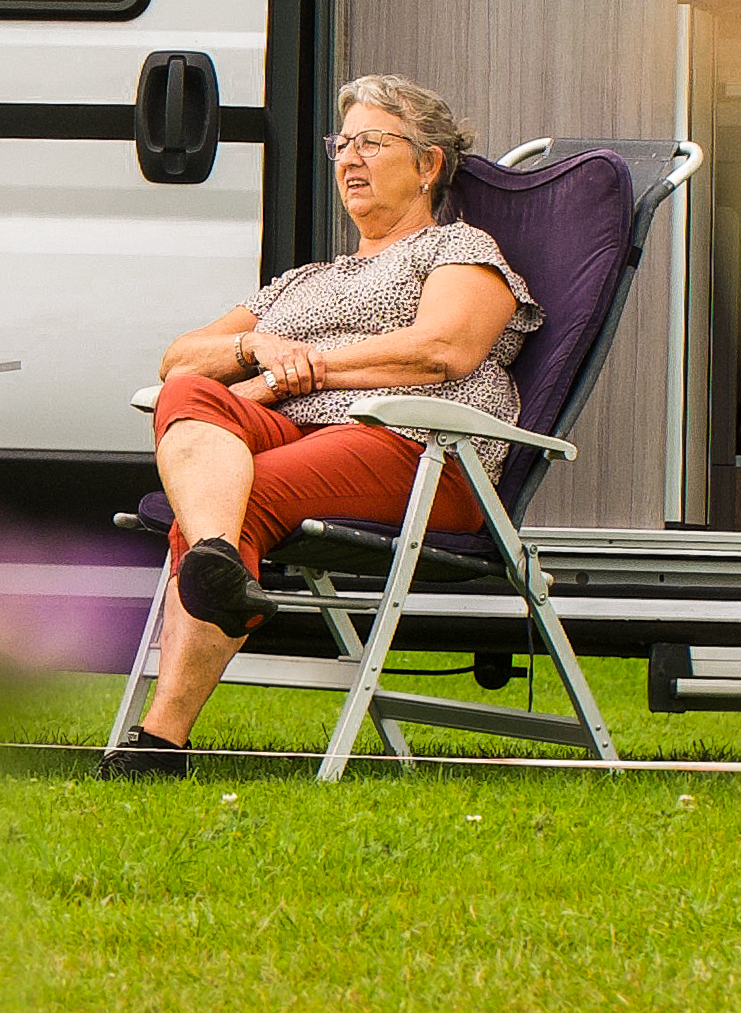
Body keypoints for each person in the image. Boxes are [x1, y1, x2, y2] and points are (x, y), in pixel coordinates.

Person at [107, 72, 536, 778]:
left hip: (417, 452)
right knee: (188, 396)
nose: (348, 159)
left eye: (373, 142)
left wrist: (292, 373)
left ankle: (158, 740)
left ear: (428, 164)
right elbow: (179, 356)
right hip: (301, 438)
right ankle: (217, 563)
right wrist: (253, 348)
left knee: (235, 498)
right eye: (342, 144)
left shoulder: (458, 251)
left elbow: (443, 349)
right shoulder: (305, 279)